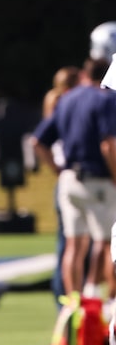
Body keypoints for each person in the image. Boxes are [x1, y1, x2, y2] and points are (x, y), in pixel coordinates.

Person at [32, 57, 116, 303]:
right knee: (104, 241)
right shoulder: (105, 99)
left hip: (69, 178)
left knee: (73, 245)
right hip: (98, 178)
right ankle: (94, 295)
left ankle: (73, 303)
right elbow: (108, 144)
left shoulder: (67, 98)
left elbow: (38, 141)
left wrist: (59, 170)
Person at [42, 66, 81, 305]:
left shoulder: (57, 103)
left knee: (68, 245)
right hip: (72, 177)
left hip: (65, 180)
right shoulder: (66, 105)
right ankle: (65, 300)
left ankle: (65, 299)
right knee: (70, 246)